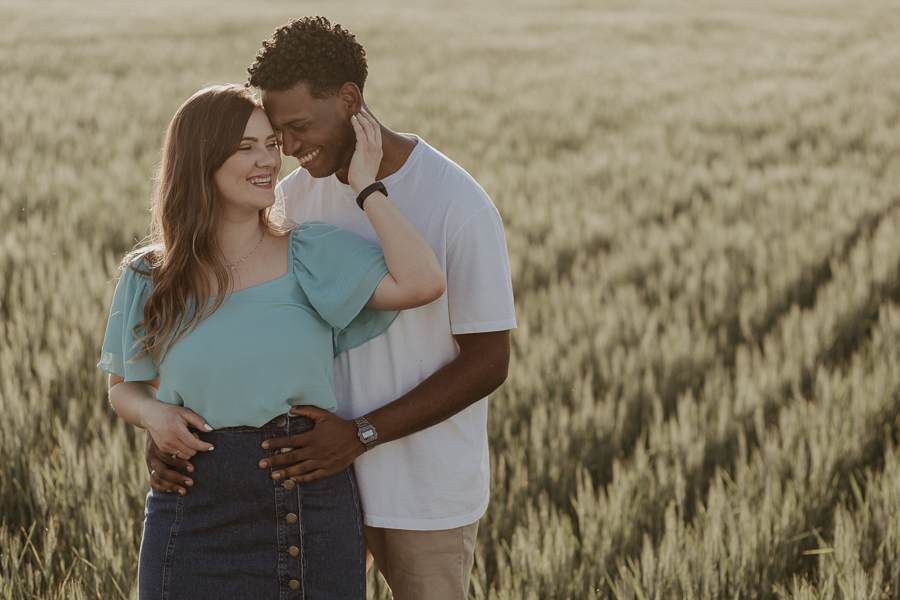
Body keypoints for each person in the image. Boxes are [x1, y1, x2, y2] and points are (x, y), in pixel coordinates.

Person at [148, 16, 517, 599]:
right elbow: (248, 323)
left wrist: (362, 434)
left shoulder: (456, 204)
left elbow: (489, 362)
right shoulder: (294, 196)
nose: (288, 148)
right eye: (278, 133)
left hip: (421, 490)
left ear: (350, 100)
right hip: (312, 485)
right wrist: (171, 424)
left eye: (297, 127)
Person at [98, 84, 445, 599]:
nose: (268, 161)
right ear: (201, 161)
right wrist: (156, 416)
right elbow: (123, 386)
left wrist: (367, 187)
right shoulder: (151, 274)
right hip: (193, 511)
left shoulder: (309, 253)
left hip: (304, 508)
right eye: (246, 148)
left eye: (270, 144)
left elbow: (423, 282)